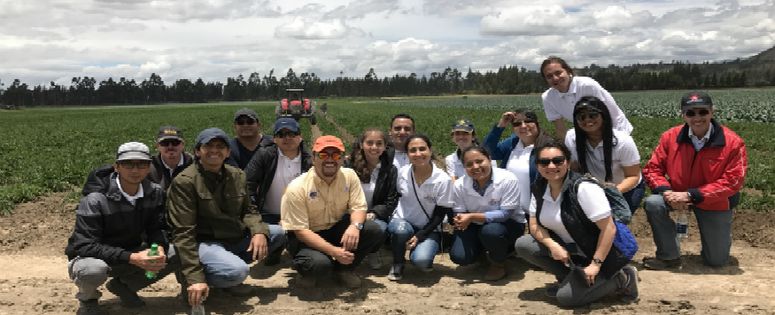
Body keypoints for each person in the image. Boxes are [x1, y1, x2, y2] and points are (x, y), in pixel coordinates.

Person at [166, 128, 285, 308]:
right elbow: (183, 233)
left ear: (228, 152)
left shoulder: (237, 175)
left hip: (232, 237)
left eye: (220, 146)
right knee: (238, 271)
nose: (215, 150)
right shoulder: (185, 182)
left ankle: (224, 275)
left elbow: (249, 210)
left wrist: (258, 231)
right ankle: (200, 280)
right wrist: (194, 277)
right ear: (197, 151)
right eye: (208, 146)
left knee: (278, 233)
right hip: (205, 242)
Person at [514, 140, 638, 306]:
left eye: (558, 161)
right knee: (524, 244)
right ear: (537, 165)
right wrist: (552, 245)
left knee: (566, 299)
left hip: (602, 254)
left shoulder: (583, 188)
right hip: (573, 251)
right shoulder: (540, 187)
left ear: (567, 162)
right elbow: (535, 225)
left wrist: (595, 264)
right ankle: (571, 278)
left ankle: (624, 278)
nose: (551, 166)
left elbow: (608, 229)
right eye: (544, 162)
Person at [66, 142, 176, 315]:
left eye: (141, 164)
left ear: (149, 168)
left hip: (131, 251)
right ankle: (88, 299)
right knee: (92, 271)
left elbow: (158, 228)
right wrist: (132, 257)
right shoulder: (95, 199)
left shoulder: (154, 193)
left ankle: (124, 286)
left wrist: (158, 247)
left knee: (175, 253)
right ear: (116, 167)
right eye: (128, 164)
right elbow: (85, 245)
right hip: (93, 257)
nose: (135, 170)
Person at [641, 91, 748, 269]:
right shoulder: (670, 137)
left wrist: (691, 195)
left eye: (702, 112)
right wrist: (666, 192)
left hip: (714, 201)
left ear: (712, 112)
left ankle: (717, 242)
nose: (697, 117)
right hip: (675, 195)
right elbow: (652, 169)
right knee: (654, 203)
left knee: (717, 261)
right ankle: (669, 256)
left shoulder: (733, 143)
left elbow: (733, 181)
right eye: (690, 113)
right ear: (683, 115)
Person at [281, 135, 385, 288]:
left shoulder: (349, 176)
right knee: (320, 265)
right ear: (313, 158)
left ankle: (344, 270)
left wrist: (355, 227)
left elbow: (358, 207)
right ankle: (309, 270)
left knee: (373, 229)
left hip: (334, 228)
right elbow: (301, 231)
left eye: (336, 155)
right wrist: (334, 252)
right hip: (306, 236)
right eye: (323, 155)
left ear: (342, 159)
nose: (330, 160)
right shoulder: (297, 187)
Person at [450, 146, 524, 281]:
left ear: (489, 160)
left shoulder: (508, 179)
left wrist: (472, 216)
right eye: (469, 164)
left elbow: (505, 214)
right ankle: (486, 252)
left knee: (491, 231)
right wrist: (460, 219)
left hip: (507, 225)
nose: (475, 167)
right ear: (464, 167)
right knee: (460, 256)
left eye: (479, 161)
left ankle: (498, 263)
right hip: (475, 224)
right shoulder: (459, 185)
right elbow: (459, 212)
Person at [244, 118, 311, 265]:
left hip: (299, 216)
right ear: (274, 139)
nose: (287, 138)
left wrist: (291, 217)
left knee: (302, 255)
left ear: (300, 137)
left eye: (292, 134)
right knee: (269, 259)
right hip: (269, 215)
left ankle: (294, 246)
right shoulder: (264, 155)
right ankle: (275, 248)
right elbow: (247, 184)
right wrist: (254, 213)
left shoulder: (309, 160)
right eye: (281, 134)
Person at [387, 134, 454, 281]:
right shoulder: (402, 173)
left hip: (429, 227)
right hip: (403, 221)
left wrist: (420, 235)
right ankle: (398, 262)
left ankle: (421, 252)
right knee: (401, 230)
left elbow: (439, 214)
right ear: (407, 154)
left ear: (430, 150)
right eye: (413, 150)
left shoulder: (442, 180)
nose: (418, 154)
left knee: (422, 261)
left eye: (422, 149)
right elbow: (395, 197)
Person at [565, 97, 645, 214]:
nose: (587, 120)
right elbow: (575, 168)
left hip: (626, 188)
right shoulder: (572, 138)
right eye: (581, 117)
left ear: (603, 116)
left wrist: (612, 192)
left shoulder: (623, 141)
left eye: (593, 115)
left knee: (616, 220)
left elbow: (633, 176)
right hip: (595, 190)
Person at [540, 56, 633, 139]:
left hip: (617, 128)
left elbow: (605, 115)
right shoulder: (548, 98)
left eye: (558, 73)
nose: (555, 78)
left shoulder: (587, 85)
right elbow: (560, 129)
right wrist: (566, 152)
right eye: (549, 76)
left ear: (568, 71)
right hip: (590, 133)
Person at [345, 128, 399, 270]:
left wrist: (374, 213)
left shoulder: (390, 170)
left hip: (373, 215)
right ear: (362, 144)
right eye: (369, 143)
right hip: (349, 213)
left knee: (379, 228)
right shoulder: (349, 166)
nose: (374, 147)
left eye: (379, 143)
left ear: (384, 146)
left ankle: (372, 251)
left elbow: (391, 201)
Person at [483, 109, 552, 213]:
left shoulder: (548, 147)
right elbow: (487, 151)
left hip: (536, 211)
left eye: (528, 121)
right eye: (517, 123)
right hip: (509, 210)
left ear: (537, 124)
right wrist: (500, 126)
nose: (523, 126)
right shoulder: (513, 142)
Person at [148, 125, 194, 191]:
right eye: (165, 143)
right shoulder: (148, 167)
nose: (170, 147)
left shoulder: (194, 164)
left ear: (183, 144)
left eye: (175, 143)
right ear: (157, 146)